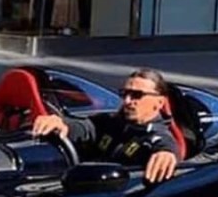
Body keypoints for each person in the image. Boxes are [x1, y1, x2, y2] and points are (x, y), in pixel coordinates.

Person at [31, 68, 182, 183]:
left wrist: (167, 153)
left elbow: (165, 144)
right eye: (125, 93)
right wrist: (59, 122)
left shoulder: (156, 136)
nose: (128, 101)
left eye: (137, 95)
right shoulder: (111, 122)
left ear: (159, 102)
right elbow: (85, 127)